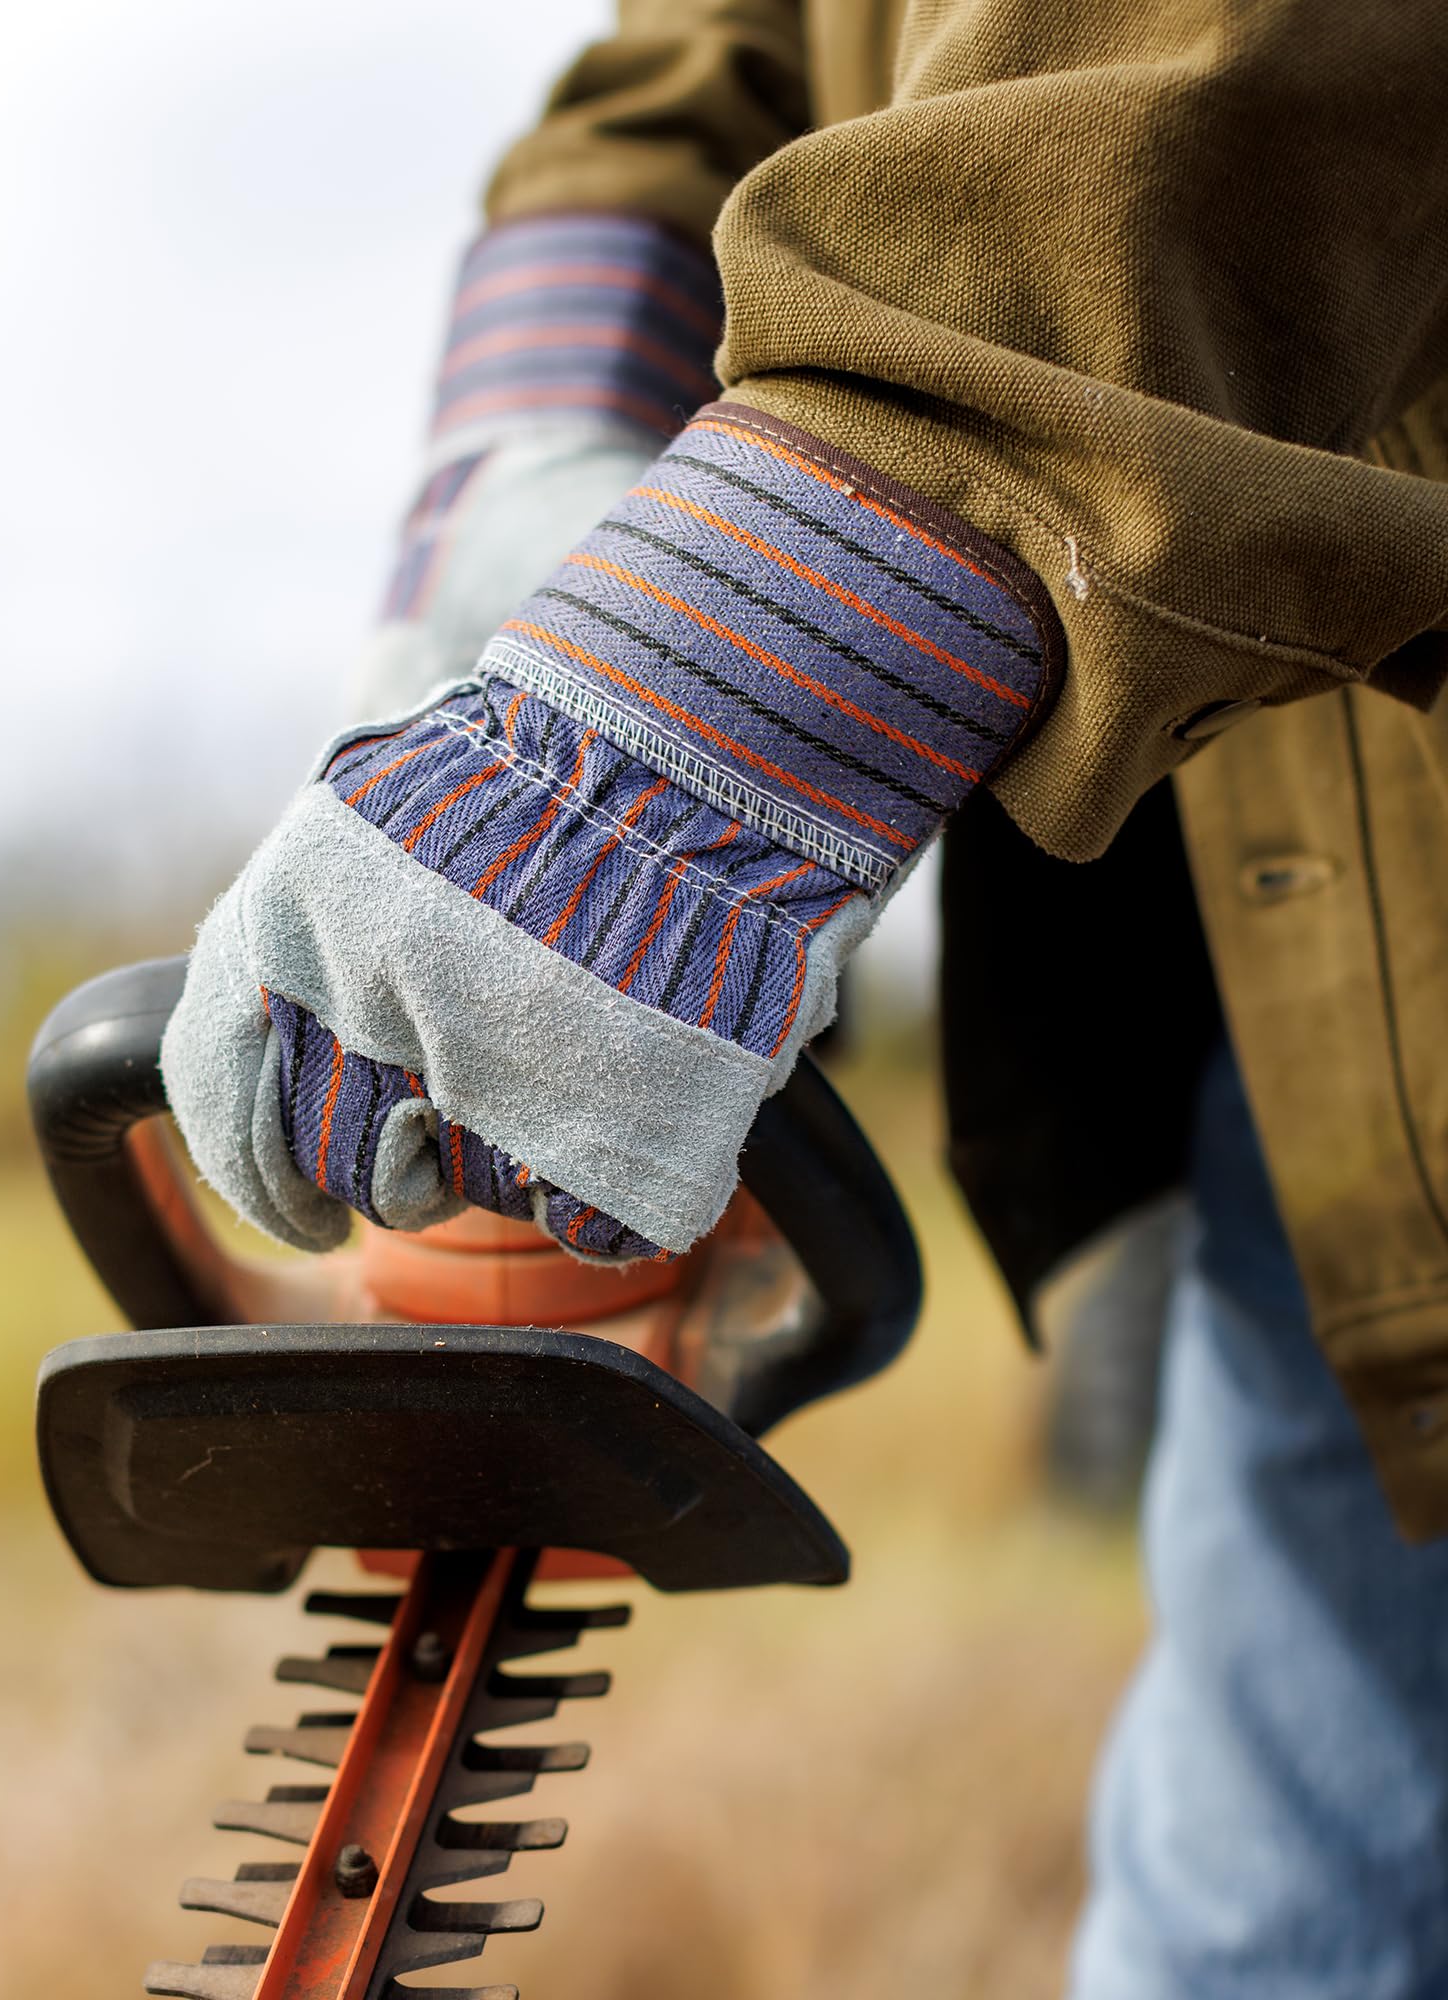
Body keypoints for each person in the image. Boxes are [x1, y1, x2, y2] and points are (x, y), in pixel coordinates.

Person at [159, 4, 1448, 1992]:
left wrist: (701, 714)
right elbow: (716, 58)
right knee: (1262, 1916)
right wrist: (541, 441)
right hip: (1322, 985)